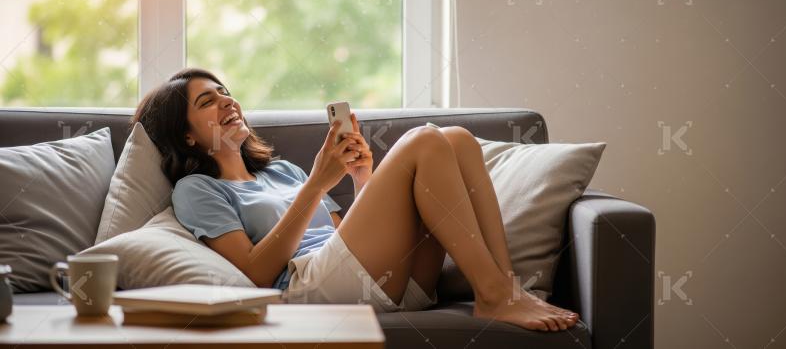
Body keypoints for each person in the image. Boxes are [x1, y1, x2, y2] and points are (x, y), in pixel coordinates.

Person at [133, 68, 579, 331]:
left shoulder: (281, 170)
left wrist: (363, 178)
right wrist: (316, 186)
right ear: (187, 135)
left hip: (372, 281)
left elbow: (350, 245)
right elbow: (253, 273)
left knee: (458, 140)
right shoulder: (197, 190)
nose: (226, 102)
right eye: (207, 102)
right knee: (425, 141)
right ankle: (494, 294)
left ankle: (504, 288)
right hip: (306, 288)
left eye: (225, 92)